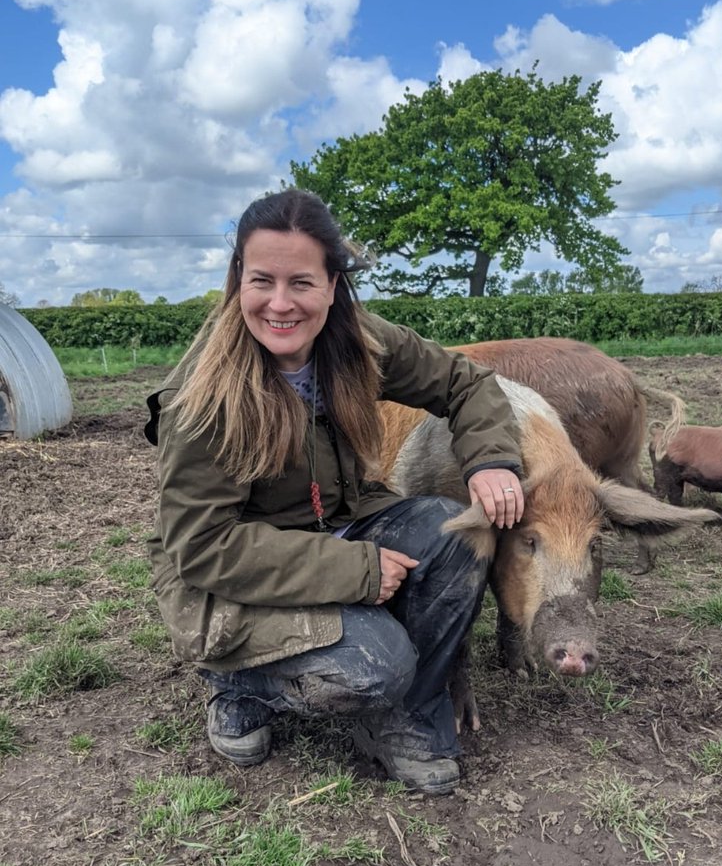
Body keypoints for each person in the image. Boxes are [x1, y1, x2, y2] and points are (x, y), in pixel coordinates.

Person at [144, 188, 524, 795]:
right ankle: (237, 683)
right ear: (237, 279)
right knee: (377, 664)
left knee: (456, 535)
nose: (279, 303)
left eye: (302, 282)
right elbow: (205, 546)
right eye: (261, 280)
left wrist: (491, 461)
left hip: (340, 520)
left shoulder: (359, 343)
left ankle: (406, 720)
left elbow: (465, 382)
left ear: (334, 286)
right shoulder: (204, 399)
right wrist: (357, 570)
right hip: (229, 576)